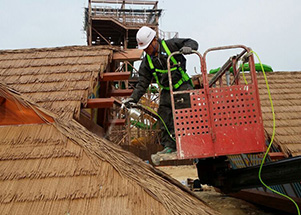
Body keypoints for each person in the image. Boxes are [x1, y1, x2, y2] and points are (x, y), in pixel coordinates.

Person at [123, 26, 198, 155]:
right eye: (144, 49)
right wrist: (133, 98)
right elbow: (142, 83)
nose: (146, 50)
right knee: (163, 115)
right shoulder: (147, 62)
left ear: (154, 40)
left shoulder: (170, 45)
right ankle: (170, 146)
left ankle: (190, 142)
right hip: (166, 90)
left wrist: (189, 48)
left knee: (183, 113)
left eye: (148, 47)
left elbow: (192, 42)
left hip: (182, 86)